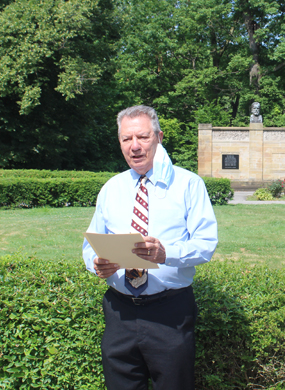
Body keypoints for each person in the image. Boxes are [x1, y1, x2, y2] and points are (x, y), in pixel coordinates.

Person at [82, 105, 218, 390]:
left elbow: (205, 244)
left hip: (169, 314)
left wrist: (165, 254)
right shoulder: (111, 188)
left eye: (142, 137)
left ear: (159, 136)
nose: (134, 147)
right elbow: (90, 243)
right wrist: (97, 262)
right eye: (126, 139)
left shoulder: (188, 185)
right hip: (119, 312)